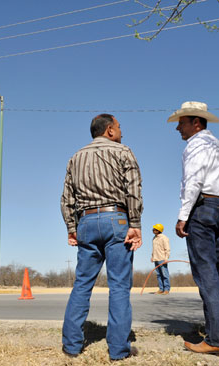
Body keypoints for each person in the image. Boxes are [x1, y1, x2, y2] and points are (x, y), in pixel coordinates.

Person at [168, 101, 219, 356]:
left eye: (181, 123)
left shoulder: (196, 145)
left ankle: (218, 339)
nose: (178, 129)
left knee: (207, 273)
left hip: (202, 207)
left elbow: (193, 181)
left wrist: (183, 216)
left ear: (196, 122)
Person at [60, 113, 143, 360]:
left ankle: (71, 346)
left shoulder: (75, 158)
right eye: (119, 127)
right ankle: (118, 350)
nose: (121, 132)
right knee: (118, 286)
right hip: (116, 220)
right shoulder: (123, 151)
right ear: (109, 130)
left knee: (82, 284)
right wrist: (135, 223)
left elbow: (66, 199)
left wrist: (71, 227)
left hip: (86, 221)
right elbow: (134, 190)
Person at [151, 223, 170, 295]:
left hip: (162, 258)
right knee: (158, 275)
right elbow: (154, 249)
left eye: (155, 229)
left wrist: (166, 258)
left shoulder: (164, 238)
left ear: (159, 230)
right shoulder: (154, 238)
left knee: (165, 274)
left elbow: (167, 249)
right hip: (156, 259)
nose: (153, 230)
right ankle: (161, 289)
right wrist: (152, 256)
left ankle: (166, 289)